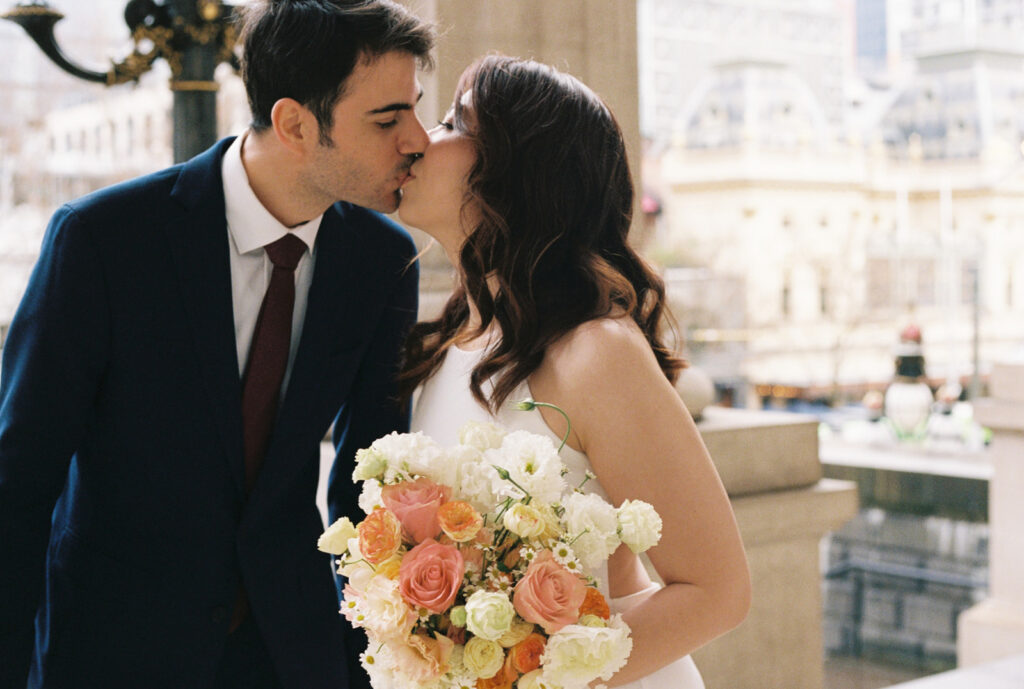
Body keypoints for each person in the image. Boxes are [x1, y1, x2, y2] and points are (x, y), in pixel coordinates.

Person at [0, 1, 432, 687]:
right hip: (110, 650)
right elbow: (18, 482)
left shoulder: (382, 260)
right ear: (294, 123)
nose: (418, 138)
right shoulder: (104, 240)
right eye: (387, 119)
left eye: (414, 108)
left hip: (292, 650)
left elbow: (366, 485)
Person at [398, 55, 751, 688]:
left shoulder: (595, 353)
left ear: (514, 172)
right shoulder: (449, 343)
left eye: (456, 121)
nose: (423, 137)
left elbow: (716, 589)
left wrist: (525, 680)